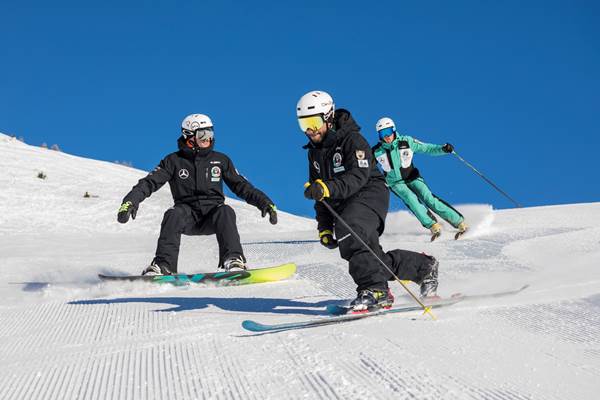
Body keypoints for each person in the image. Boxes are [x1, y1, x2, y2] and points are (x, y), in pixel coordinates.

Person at [297, 90, 439, 311]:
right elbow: (319, 193)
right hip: (344, 204)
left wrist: (326, 187)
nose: (310, 130)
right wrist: (324, 227)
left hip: (369, 192)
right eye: (304, 124)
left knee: (350, 230)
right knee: (370, 258)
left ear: (328, 116)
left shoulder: (352, 140)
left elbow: (358, 176)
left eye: (314, 122)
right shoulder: (314, 152)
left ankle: (375, 289)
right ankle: (423, 268)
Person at [117, 114, 278, 275]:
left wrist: (265, 202)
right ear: (189, 136)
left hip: (213, 215)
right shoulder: (173, 161)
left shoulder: (221, 160)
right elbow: (149, 183)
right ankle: (163, 265)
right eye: (203, 134)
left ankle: (233, 260)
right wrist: (130, 202)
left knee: (226, 211)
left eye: (210, 133)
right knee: (173, 214)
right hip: (187, 215)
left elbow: (242, 186)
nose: (208, 138)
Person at [372, 117, 468, 241]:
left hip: (412, 177)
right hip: (395, 183)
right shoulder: (376, 151)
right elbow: (364, 166)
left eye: (388, 131)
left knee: (428, 198)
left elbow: (427, 148)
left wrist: (443, 149)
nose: (387, 136)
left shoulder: (407, 142)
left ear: (394, 130)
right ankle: (433, 225)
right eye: (382, 133)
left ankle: (460, 222)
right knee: (410, 198)